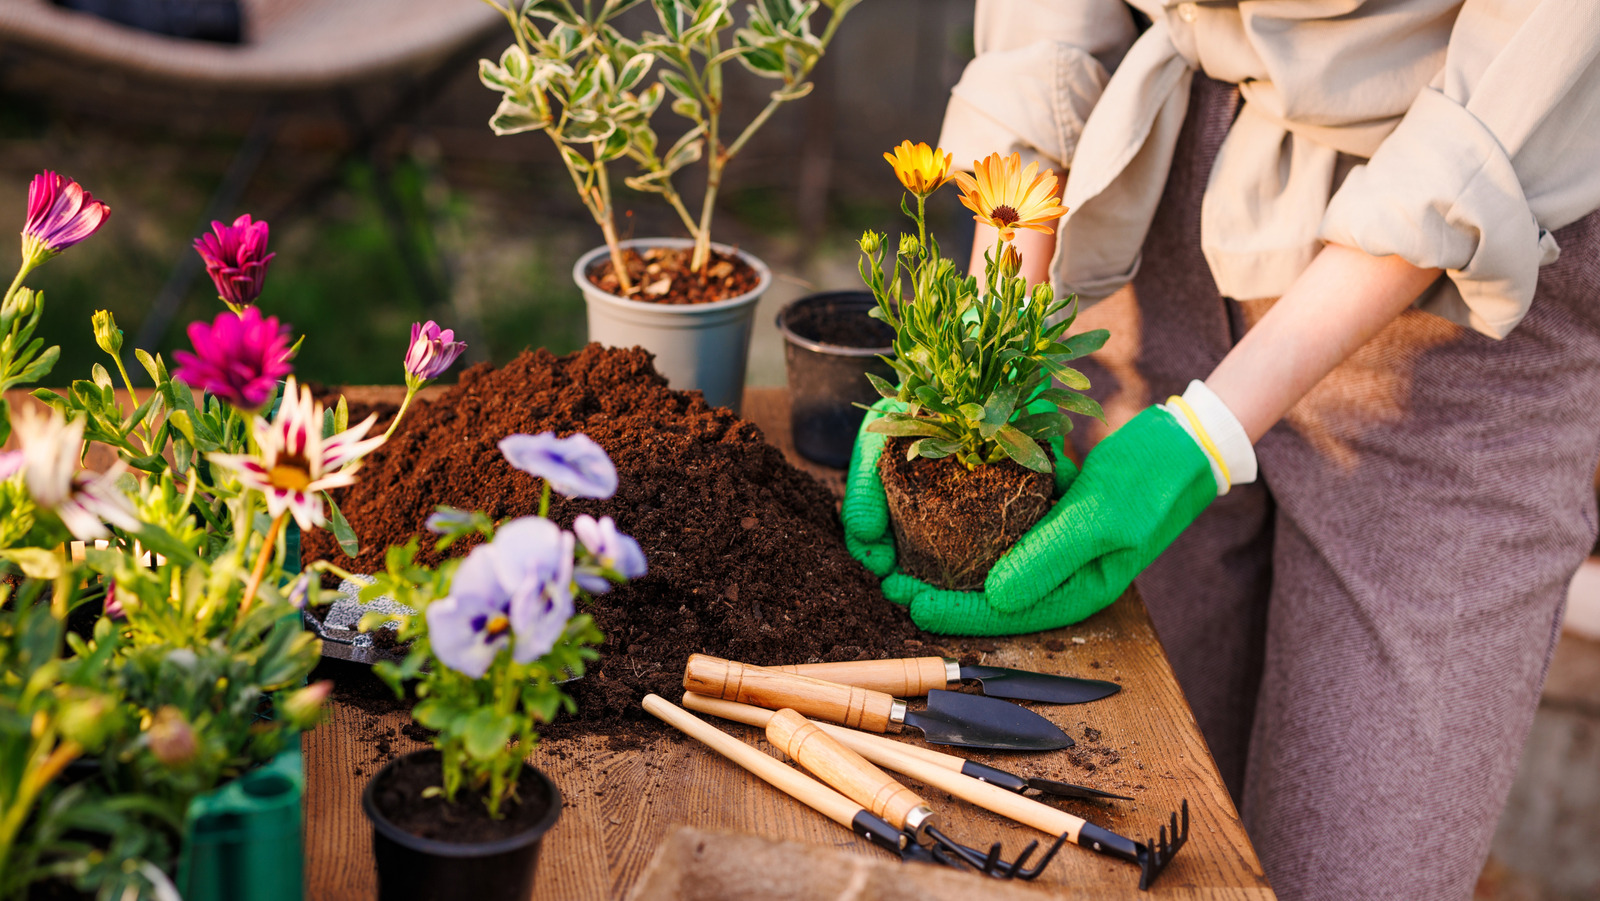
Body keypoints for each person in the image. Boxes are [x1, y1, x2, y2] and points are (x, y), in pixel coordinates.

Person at [842, 2, 1600, 898]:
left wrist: (1206, 434)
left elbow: (1528, 78)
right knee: (1118, 829)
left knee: (1355, 871)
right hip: (1156, 211)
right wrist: (981, 343)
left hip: (1457, 304)